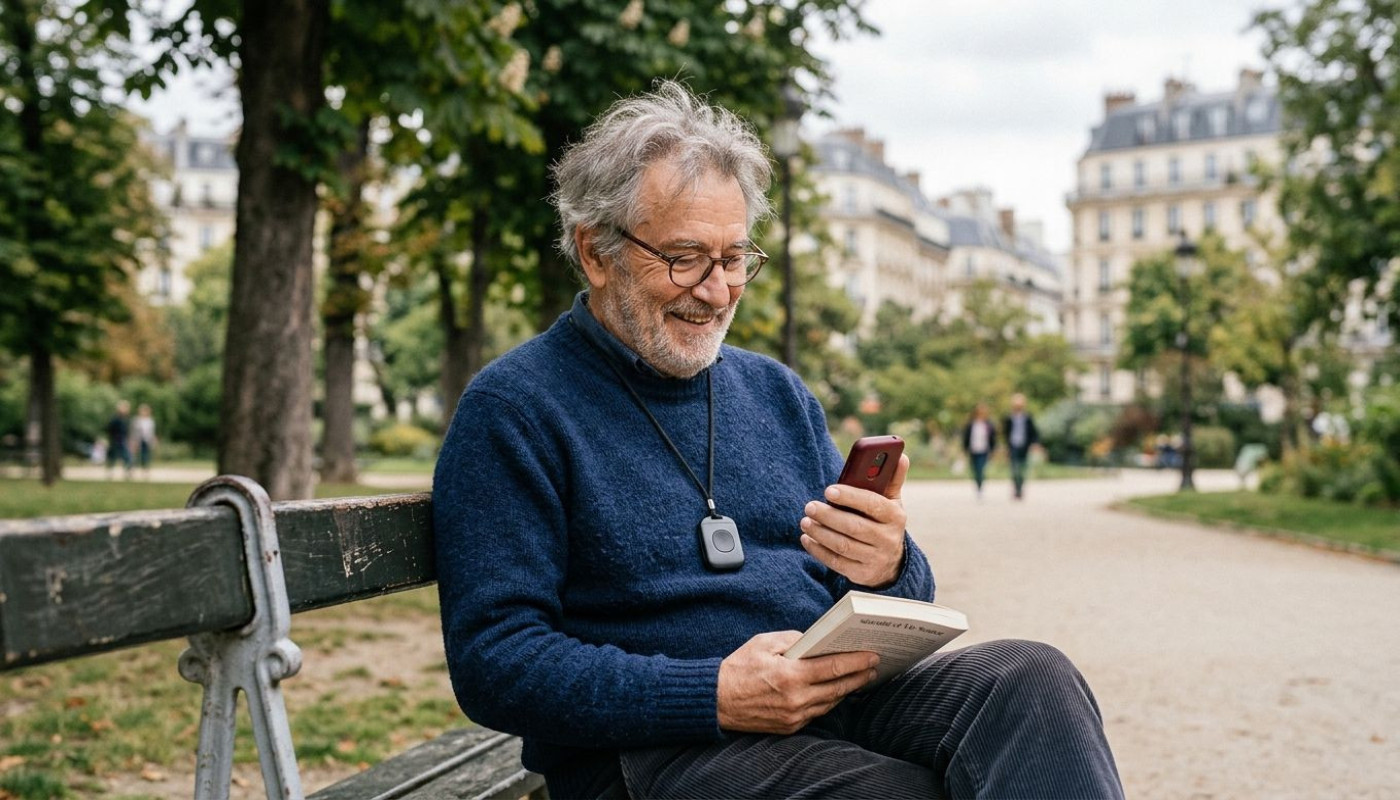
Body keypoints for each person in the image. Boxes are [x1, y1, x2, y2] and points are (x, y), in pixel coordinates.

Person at [433, 81, 1122, 799]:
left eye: (734, 259)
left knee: (1035, 682)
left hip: (823, 703)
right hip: (652, 750)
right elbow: (495, 661)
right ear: (596, 252)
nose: (718, 290)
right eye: (685, 258)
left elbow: (895, 600)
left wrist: (886, 566)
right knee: (896, 792)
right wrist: (712, 693)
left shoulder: (777, 394)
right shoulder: (515, 408)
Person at [1002, 393, 1040, 500]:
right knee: (1014, 469)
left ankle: (1020, 489)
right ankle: (1016, 488)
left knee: (1022, 469)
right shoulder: (1009, 418)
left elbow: (1033, 432)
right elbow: (1005, 433)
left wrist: (1035, 443)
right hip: (1013, 445)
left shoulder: (1027, 417)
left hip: (1024, 446)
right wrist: (1006, 448)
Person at [960, 402, 997, 499]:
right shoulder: (971, 424)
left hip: (984, 450)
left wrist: (993, 450)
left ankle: (980, 487)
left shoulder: (988, 424)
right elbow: (966, 437)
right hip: (973, 449)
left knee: (981, 469)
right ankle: (977, 485)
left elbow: (992, 438)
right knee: (975, 469)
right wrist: (964, 449)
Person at [105, 400, 133, 479]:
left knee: (126, 456)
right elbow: (110, 429)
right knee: (113, 456)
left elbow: (127, 431)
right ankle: (110, 471)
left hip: (123, 439)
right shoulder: (115, 419)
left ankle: (127, 471)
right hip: (115, 439)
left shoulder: (126, 419)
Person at [132, 403, 158, 477]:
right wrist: (133, 441)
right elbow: (134, 432)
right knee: (136, 456)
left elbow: (152, 432)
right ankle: (133, 469)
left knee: (146, 455)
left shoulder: (150, 421)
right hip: (138, 440)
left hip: (147, 440)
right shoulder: (137, 420)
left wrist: (153, 440)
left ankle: (145, 470)